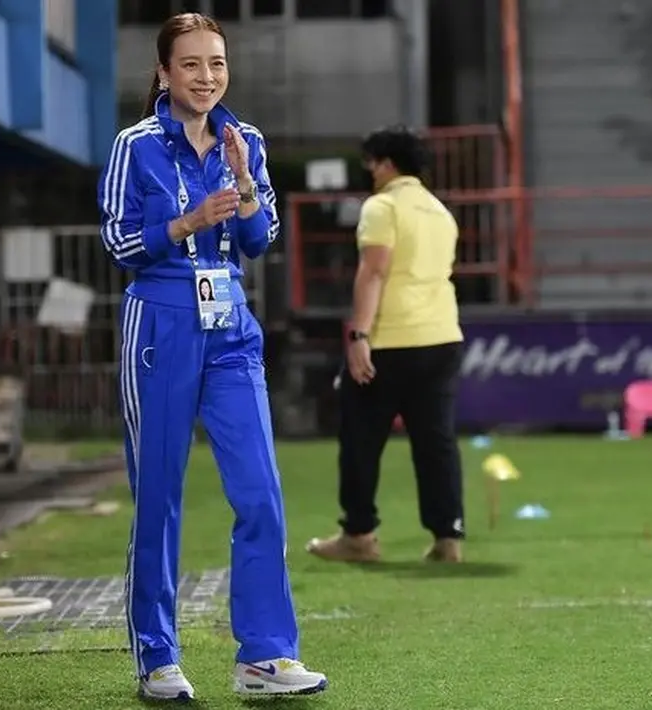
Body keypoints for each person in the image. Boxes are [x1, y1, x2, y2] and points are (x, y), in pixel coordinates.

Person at [97, 12, 327, 702]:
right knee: (158, 498)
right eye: (191, 65)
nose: (206, 77)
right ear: (164, 73)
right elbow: (118, 244)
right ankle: (157, 659)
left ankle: (264, 656)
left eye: (217, 64)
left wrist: (245, 184)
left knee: (260, 492)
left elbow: (259, 240)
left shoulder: (243, 139)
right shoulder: (133, 145)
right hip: (158, 323)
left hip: (230, 321)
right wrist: (188, 222)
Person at [306, 126, 466, 566]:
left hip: (392, 341)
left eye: (372, 163)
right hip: (442, 336)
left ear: (387, 163)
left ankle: (359, 534)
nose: (369, 172)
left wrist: (359, 335)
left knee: (360, 438)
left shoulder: (382, 207)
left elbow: (374, 272)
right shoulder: (439, 212)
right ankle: (447, 536)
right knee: (436, 442)